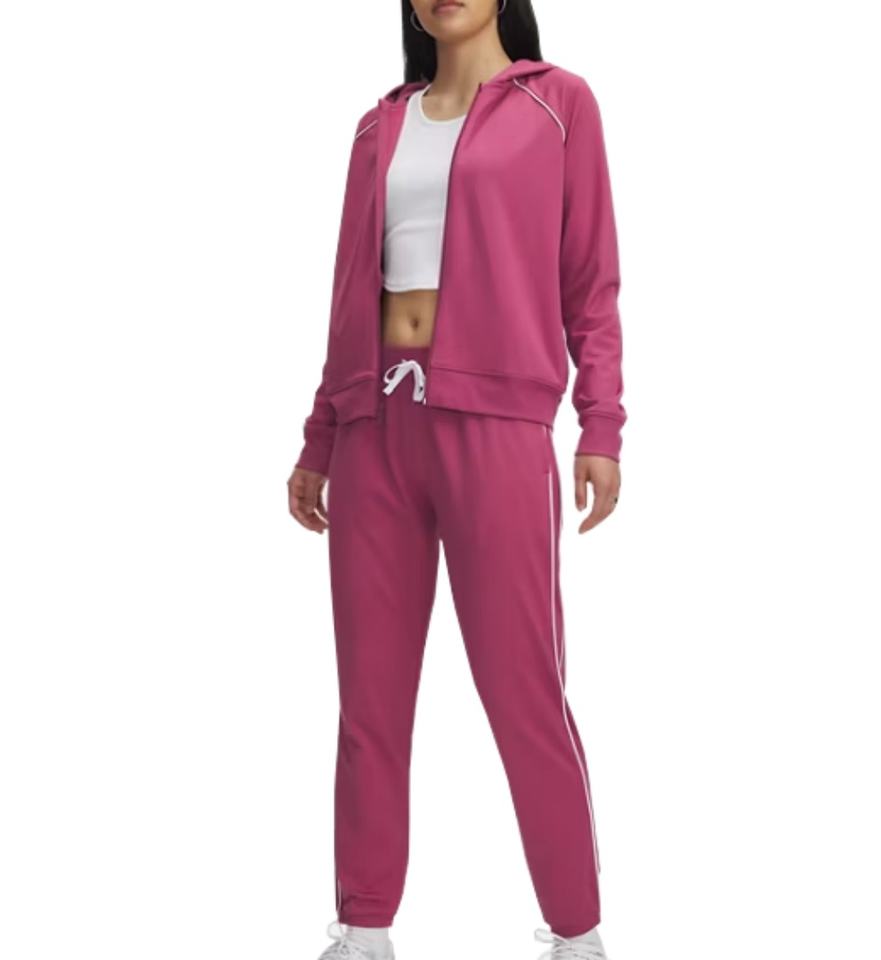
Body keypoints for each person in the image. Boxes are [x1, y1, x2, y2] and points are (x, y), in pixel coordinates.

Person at [287, 1, 625, 957]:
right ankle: (363, 929)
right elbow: (349, 292)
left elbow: (591, 279)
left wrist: (601, 422)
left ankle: (577, 934)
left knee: (524, 692)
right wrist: (321, 435)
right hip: (375, 428)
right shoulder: (378, 125)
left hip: (497, 427)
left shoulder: (560, 104)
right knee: (370, 699)